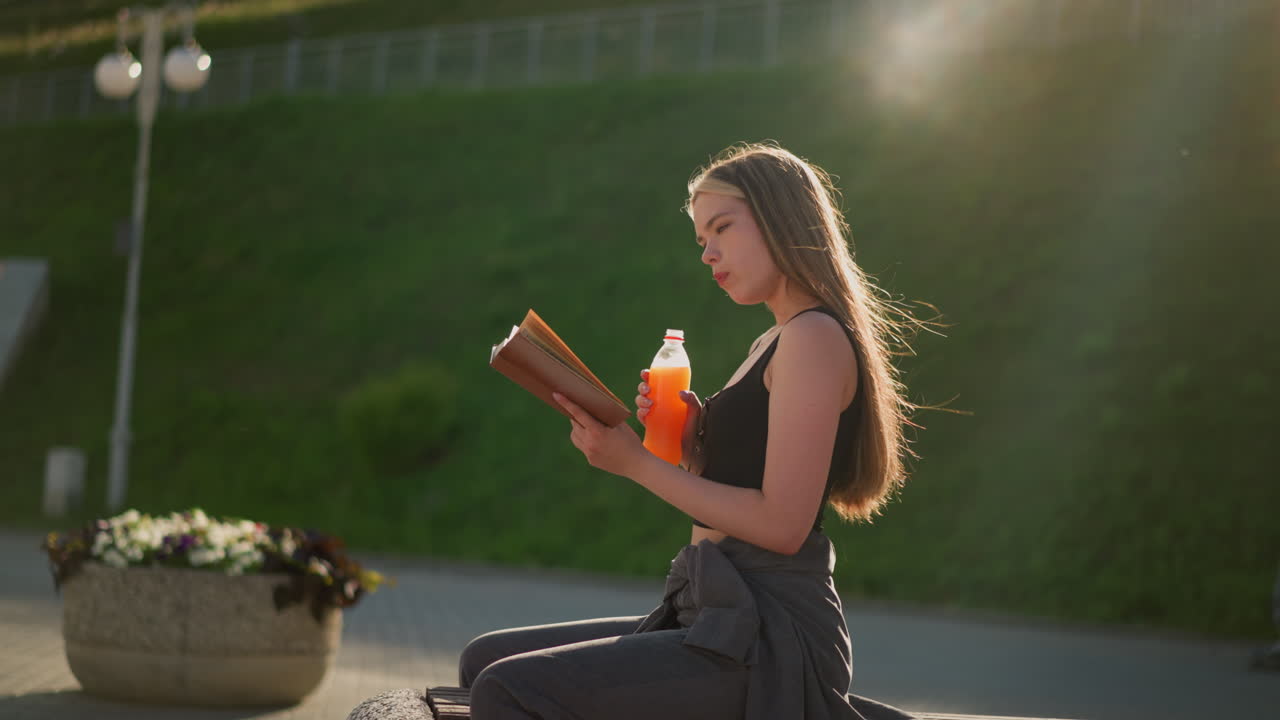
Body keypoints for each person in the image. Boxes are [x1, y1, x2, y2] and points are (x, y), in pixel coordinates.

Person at [456, 143, 929, 720]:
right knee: (483, 661)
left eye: (722, 228)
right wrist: (689, 446)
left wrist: (637, 464)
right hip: (717, 611)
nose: (708, 253)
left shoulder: (814, 339)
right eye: (701, 239)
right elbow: (740, 490)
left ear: (781, 215)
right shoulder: (772, 341)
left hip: (769, 634)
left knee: (503, 689)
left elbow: (782, 526)